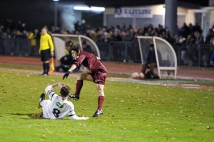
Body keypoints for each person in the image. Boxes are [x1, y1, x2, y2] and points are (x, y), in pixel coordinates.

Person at [62, 44, 107, 117]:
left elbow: (77, 63)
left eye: (73, 53)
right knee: (80, 76)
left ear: (78, 52)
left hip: (100, 72)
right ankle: (76, 95)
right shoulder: (86, 54)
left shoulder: (81, 55)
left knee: (100, 90)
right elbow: (98, 59)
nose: (72, 55)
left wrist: (69, 71)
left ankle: (99, 110)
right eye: (72, 53)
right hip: (95, 72)